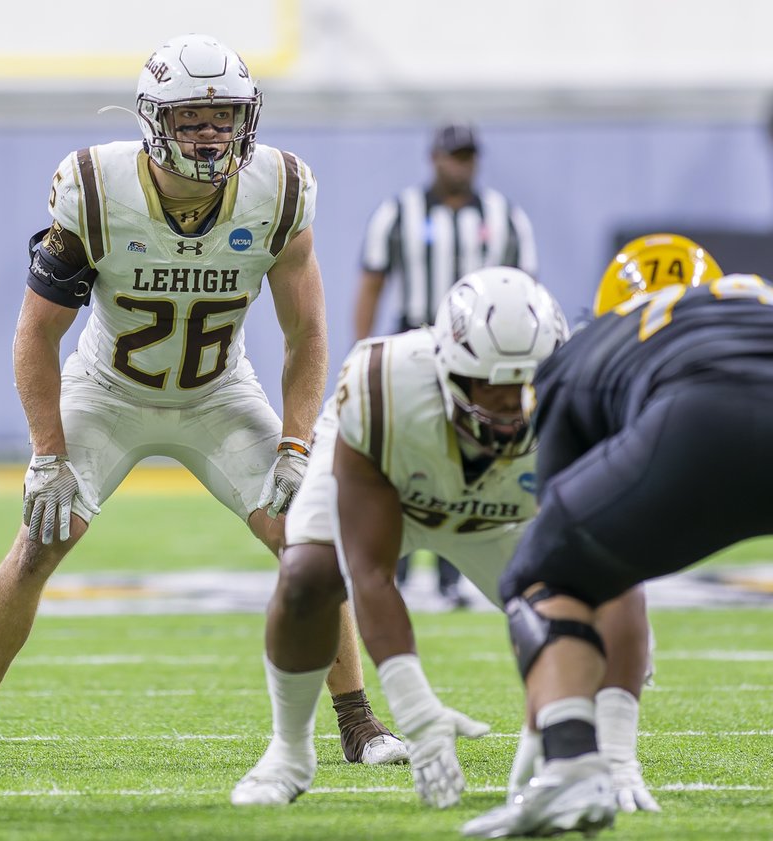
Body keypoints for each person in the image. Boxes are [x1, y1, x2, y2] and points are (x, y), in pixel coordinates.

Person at [0, 32, 406, 770]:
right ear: (154, 120)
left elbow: (307, 333)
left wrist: (297, 443)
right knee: (39, 541)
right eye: (191, 117)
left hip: (217, 394)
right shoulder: (96, 189)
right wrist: (47, 455)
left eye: (224, 116)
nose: (210, 133)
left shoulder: (278, 190)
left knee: (306, 543)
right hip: (108, 393)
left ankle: (359, 722)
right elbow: (36, 333)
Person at [232, 267, 656, 813]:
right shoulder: (385, 385)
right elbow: (369, 569)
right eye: (489, 385)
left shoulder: (580, 395)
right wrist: (414, 703)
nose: (508, 406)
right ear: (448, 368)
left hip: (499, 520)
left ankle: (607, 754)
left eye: (523, 384)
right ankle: (289, 754)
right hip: (393, 492)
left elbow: (618, 576)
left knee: (600, 602)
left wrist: (616, 754)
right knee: (308, 571)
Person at [462, 235, 758, 838]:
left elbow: (577, 567)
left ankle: (572, 768)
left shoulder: (586, 351)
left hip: (704, 417)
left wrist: (546, 728)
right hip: (716, 393)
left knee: (542, 570)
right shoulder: (749, 300)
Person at [355, 121, 539, 608]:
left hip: (482, 358)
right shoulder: (399, 212)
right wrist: (364, 351)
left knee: (466, 456)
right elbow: (372, 284)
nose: (461, 165)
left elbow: (526, 290)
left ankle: (451, 573)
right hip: (414, 342)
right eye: (454, 156)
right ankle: (391, 564)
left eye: (468, 156)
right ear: (434, 157)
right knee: (398, 454)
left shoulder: (505, 216)